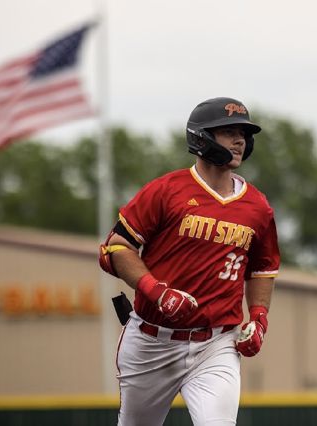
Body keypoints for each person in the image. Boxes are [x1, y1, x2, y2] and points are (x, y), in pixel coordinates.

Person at [98, 97, 280, 426]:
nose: (240, 140)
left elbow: (262, 269)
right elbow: (117, 247)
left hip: (217, 344)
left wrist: (258, 318)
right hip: (152, 342)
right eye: (229, 132)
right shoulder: (167, 190)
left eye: (243, 134)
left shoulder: (257, 206)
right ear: (202, 137)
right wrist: (157, 292)